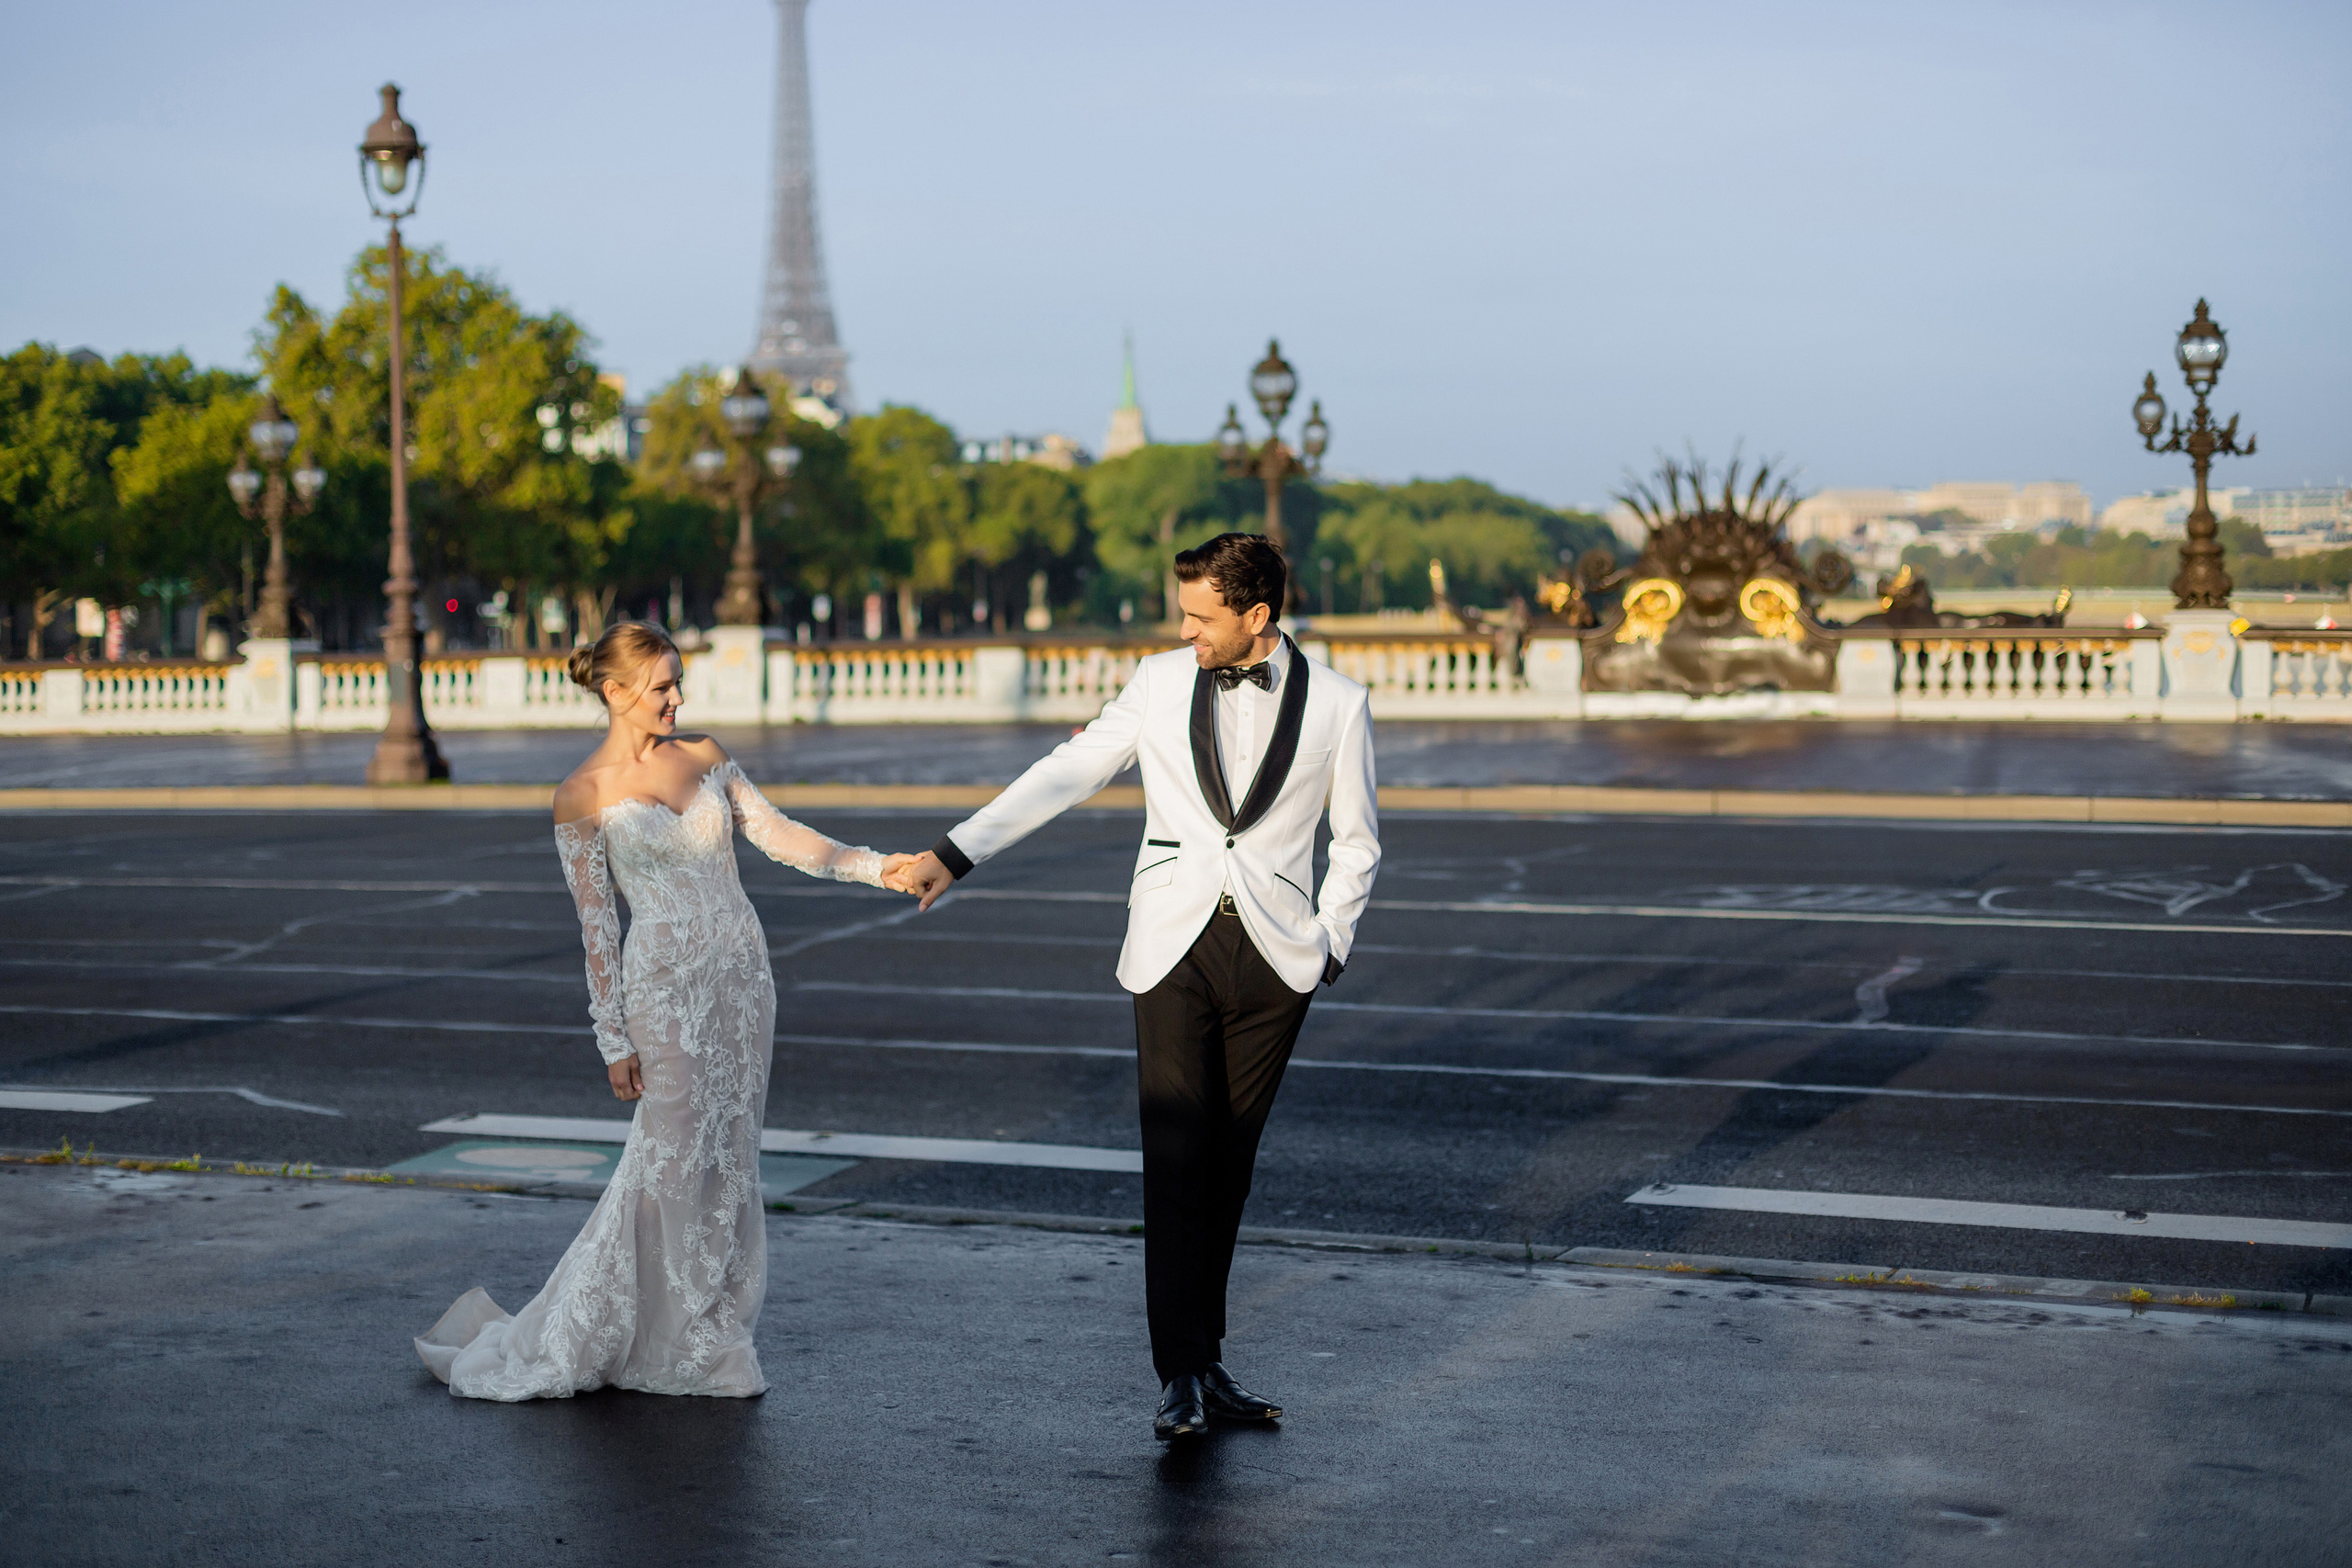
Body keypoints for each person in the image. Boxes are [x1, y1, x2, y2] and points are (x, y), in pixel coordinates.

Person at [895, 533, 1381, 1440]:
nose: (1185, 630)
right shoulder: (1158, 682)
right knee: (1176, 1156)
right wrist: (956, 854)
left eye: (1200, 616)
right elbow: (1067, 772)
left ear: (1257, 616)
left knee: (1228, 1166)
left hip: (1278, 958)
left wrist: (1329, 946)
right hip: (1170, 947)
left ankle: (1208, 1357)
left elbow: (1356, 840)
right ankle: (1180, 1373)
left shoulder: (1341, 703)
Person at [415, 620, 916, 1400]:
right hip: (663, 992)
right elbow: (596, 928)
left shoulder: (706, 755)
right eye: (661, 685)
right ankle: (669, 1335)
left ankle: (712, 1321)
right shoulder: (580, 794)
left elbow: (782, 836)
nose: (677, 696)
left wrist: (880, 868)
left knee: (730, 1157)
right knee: (673, 1161)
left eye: (679, 680)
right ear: (615, 692)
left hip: (741, 980)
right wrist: (611, 1037)